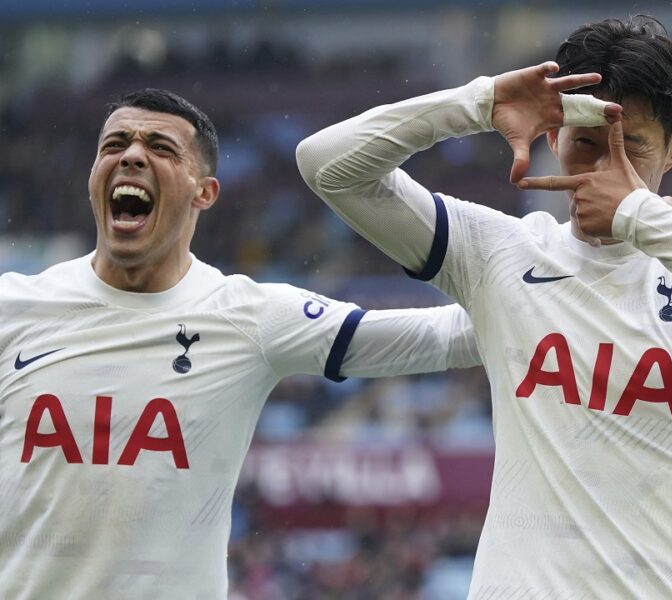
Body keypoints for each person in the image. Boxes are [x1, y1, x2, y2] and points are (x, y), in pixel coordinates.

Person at [297, 14, 672, 598]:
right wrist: (480, 103)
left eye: (632, 150)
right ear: (552, 138)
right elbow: (328, 166)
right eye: (584, 145)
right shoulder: (498, 252)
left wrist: (639, 215)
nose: (599, 173)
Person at [0, 89, 479, 599]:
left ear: (204, 192)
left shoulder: (250, 317)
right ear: (93, 177)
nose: (132, 155)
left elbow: (440, 336)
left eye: (161, 148)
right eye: (114, 144)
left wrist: (549, 303)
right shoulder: (13, 307)